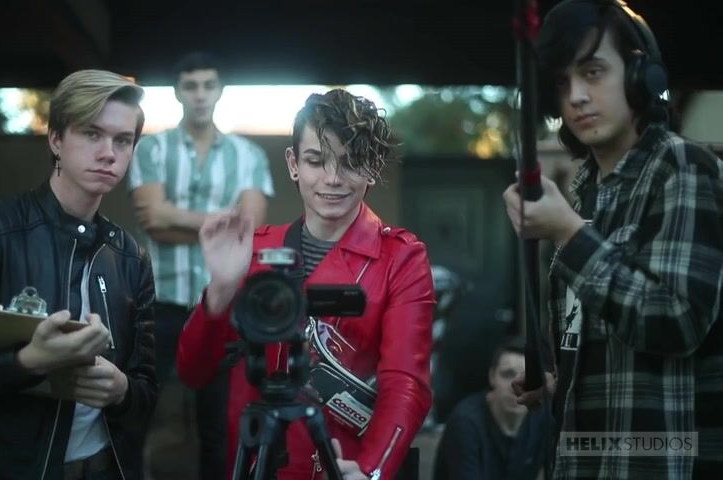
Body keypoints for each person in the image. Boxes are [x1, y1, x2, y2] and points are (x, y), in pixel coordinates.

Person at [503, 1, 723, 478]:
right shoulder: (584, 194)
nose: (577, 96)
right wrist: (561, 382)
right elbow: (609, 340)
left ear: (642, 76)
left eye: (593, 72)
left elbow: (677, 319)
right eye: (562, 83)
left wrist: (569, 233)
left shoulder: (683, 168)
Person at [176, 88, 434, 479]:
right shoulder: (254, 249)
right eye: (316, 160)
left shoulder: (402, 257)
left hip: (341, 466)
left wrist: (371, 471)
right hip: (255, 463)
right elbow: (194, 372)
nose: (332, 178)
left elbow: (406, 382)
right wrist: (221, 290)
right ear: (294, 164)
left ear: (372, 168)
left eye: (351, 162)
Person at [0, 69, 158, 479]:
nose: (109, 153)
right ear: (56, 139)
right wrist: (28, 362)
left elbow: (147, 391)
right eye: (92, 134)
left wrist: (122, 391)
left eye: (123, 140)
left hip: (102, 467)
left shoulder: (130, 256)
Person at [127, 51, 274, 479]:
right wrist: (219, 224)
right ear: (177, 92)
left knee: (219, 425)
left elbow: (249, 229)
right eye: (190, 86)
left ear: (220, 90)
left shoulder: (248, 155)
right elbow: (154, 222)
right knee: (139, 413)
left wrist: (179, 218)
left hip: (220, 304)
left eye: (208, 85)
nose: (200, 95)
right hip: (160, 300)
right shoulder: (151, 148)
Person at [433, 337, 545, 480]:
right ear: (492, 376)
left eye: (528, 378)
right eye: (508, 374)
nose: (517, 387)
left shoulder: (542, 419)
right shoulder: (466, 422)